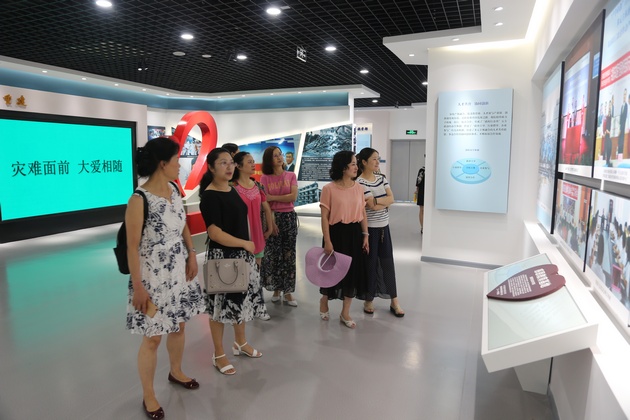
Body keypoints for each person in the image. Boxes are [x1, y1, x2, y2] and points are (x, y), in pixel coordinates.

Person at [125, 137, 205, 420]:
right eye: (176, 160)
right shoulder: (139, 200)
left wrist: (192, 254)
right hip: (152, 277)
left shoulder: (173, 189)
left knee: (179, 326)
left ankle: (176, 371)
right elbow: (132, 247)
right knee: (152, 338)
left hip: (178, 271)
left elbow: (183, 224)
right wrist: (138, 286)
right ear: (162, 163)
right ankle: (148, 394)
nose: (179, 166)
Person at [199, 148, 264, 375]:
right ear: (211, 167)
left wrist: (248, 246)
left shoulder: (231, 189)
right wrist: (244, 243)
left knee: (240, 302)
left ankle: (240, 342)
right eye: (223, 163)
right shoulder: (210, 196)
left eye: (231, 162)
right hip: (223, 257)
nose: (229, 167)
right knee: (219, 308)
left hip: (241, 255)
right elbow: (214, 233)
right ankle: (218, 354)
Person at [319, 150, 369, 329]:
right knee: (331, 271)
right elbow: (324, 217)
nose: (356, 167)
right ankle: (324, 299)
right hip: (336, 233)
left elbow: (362, 213)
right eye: (353, 164)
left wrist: (366, 235)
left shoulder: (359, 188)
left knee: (352, 272)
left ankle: (345, 312)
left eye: (356, 164)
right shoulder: (329, 189)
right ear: (343, 167)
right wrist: (327, 240)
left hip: (355, 233)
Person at [357, 148, 404, 317]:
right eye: (374, 159)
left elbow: (392, 198)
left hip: (385, 228)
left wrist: (378, 201)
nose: (378, 162)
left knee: (387, 264)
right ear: (364, 162)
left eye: (378, 159)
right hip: (370, 230)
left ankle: (394, 300)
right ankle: (369, 299)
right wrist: (382, 202)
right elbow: (371, 206)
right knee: (370, 265)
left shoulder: (381, 178)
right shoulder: (359, 183)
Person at [232, 151, 275, 320]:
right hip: (240, 236)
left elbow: (266, 208)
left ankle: (258, 306)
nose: (252, 164)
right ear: (239, 166)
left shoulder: (257, 186)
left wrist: (270, 227)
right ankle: (244, 305)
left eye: (253, 161)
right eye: (249, 162)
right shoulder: (232, 187)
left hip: (257, 234)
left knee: (256, 272)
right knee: (242, 273)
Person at [260, 146, 299, 306]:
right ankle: (276, 289)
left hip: (289, 217)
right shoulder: (265, 178)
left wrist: (273, 197)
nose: (279, 157)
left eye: (280, 154)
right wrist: (271, 223)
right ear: (269, 160)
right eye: (275, 155)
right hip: (273, 217)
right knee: (274, 255)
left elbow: (293, 197)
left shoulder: (291, 175)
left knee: (289, 254)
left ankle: (288, 291)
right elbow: (265, 202)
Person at [416, 162, 426, 233]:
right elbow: (418, 182)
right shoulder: (422, 170)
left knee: (424, 210)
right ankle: (422, 227)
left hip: (429, 192)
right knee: (422, 209)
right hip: (422, 191)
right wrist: (417, 191)